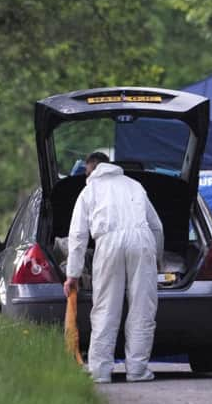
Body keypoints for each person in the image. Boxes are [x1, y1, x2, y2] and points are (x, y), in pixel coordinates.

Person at [63, 152, 164, 383]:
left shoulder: (89, 191)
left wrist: (73, 274)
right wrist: (156, 258)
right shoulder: (134, 185)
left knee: (106, 308)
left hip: (108, 243)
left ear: (91, 170)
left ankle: (100, 372)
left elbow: (77, 236)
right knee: (142, 307)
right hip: (142, 240)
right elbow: (156, 226)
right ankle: (138, 370)